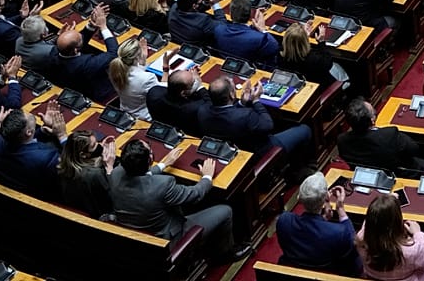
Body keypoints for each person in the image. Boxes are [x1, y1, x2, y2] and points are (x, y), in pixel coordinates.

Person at [110, 139, 246, 261]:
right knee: (225, 210)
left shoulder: (115, 173)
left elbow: (142, 178)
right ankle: (224, 254)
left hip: (133, 234)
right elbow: (195, 194)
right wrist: (207, 177)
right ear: (149, 160)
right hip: (168, 239)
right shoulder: (163, 185)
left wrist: (163, 165)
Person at [197, 76, 312, 156]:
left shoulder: (202, 111)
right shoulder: (245, 115)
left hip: (232, 148)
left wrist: (242, 103)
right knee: (304, 129)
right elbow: (268, 125)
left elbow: (227, 113)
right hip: (260, 150)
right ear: (232, 94)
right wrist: (256, 101)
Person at [278, 173, 363, 275]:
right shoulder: (339, 232)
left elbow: (310, 233)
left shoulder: (284, 221)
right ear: (327, 197)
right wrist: (340, 208)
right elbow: (353, 244)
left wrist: (323, 220)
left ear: (299, 198)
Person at [356, 193, 424, 281]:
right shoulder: (410, 250)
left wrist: (386, 202)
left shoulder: (361, 240)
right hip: (406, 278)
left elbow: (372, 222)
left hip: (377, 276)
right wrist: (418, 233)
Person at [339, 97, 424, 172]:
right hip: (404, 172)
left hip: (369, 175)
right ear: (372, 120)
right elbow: (414, 149)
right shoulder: (389, 135)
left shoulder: (342, 140)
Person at [0, 106, 66, 197]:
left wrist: (43, 130)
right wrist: (62, 135)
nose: (29, 113)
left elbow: (21, 140)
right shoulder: (47, 158)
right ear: (29, 132)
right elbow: (71, 163)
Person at [58, 130, 115, 218]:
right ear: (83, 154)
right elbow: (112, 195)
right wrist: (109, 167)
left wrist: (99, 155)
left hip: (76, 205)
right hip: (96, 213)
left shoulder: (66, 161)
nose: (99, 146)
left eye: (97, 142)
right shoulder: (94, 174)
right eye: (93, 146)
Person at [214, 0, 280, 65]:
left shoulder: (219, 30)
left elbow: (222, 21)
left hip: (223, 66)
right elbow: (274, 47)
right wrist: (262, 29)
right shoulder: (259, 38)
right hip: (245, 69)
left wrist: (254, 27)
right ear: (250, 14)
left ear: (230, 13)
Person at [108, 37, 162, 119]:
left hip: (125, 112)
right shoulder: (147, 78)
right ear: (137, 57)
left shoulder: (115, 70)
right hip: (144, 117)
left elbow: (134, 72)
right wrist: (166, 69)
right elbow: (162, 93)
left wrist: (143, 60)